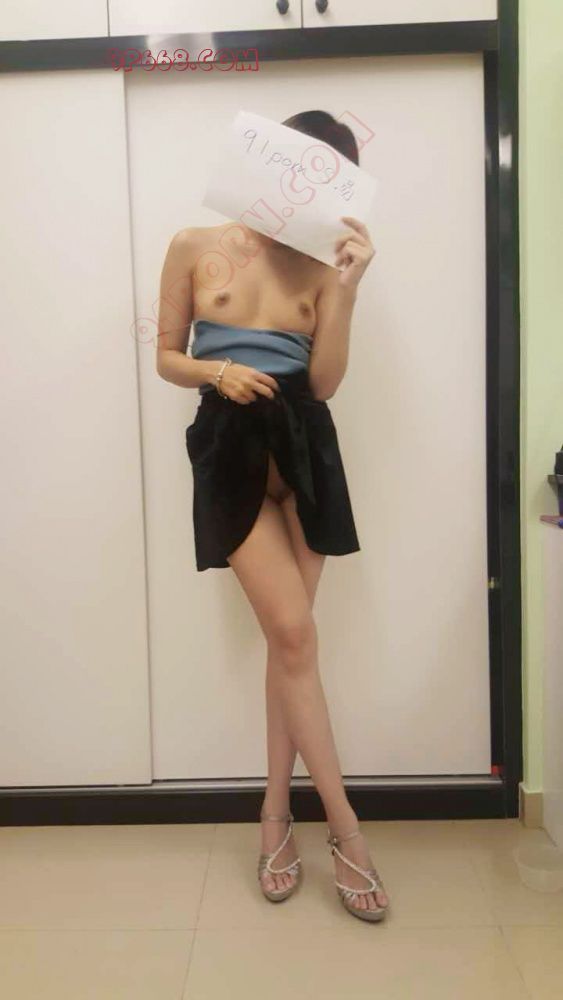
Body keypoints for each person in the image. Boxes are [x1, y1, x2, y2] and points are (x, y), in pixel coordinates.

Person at [156, 110, 390, 923]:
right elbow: (165, 355)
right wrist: (216, 371)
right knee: (293, 638)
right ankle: (346, 831)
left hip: (304, 446)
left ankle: (274, 816)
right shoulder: (194, 244)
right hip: (230, 446)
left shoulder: (325, 268)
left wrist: (348, 289)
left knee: (290, 648)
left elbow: (322, 385)